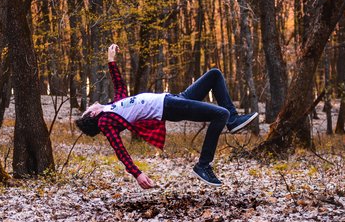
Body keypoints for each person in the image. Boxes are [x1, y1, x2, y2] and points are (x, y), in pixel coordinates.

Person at [75, 44, 258, 189]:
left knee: (215, 75)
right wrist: (137, 173)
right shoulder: (107, 121)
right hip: (168, 107)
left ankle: (233, 121)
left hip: (174, 98)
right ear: (92, 114)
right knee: (220, 114)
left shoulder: (112, 108)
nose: (93, 104)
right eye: (89, 108)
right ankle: (203, 165)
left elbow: (120, 85)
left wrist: (111, 60)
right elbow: (120, 150)